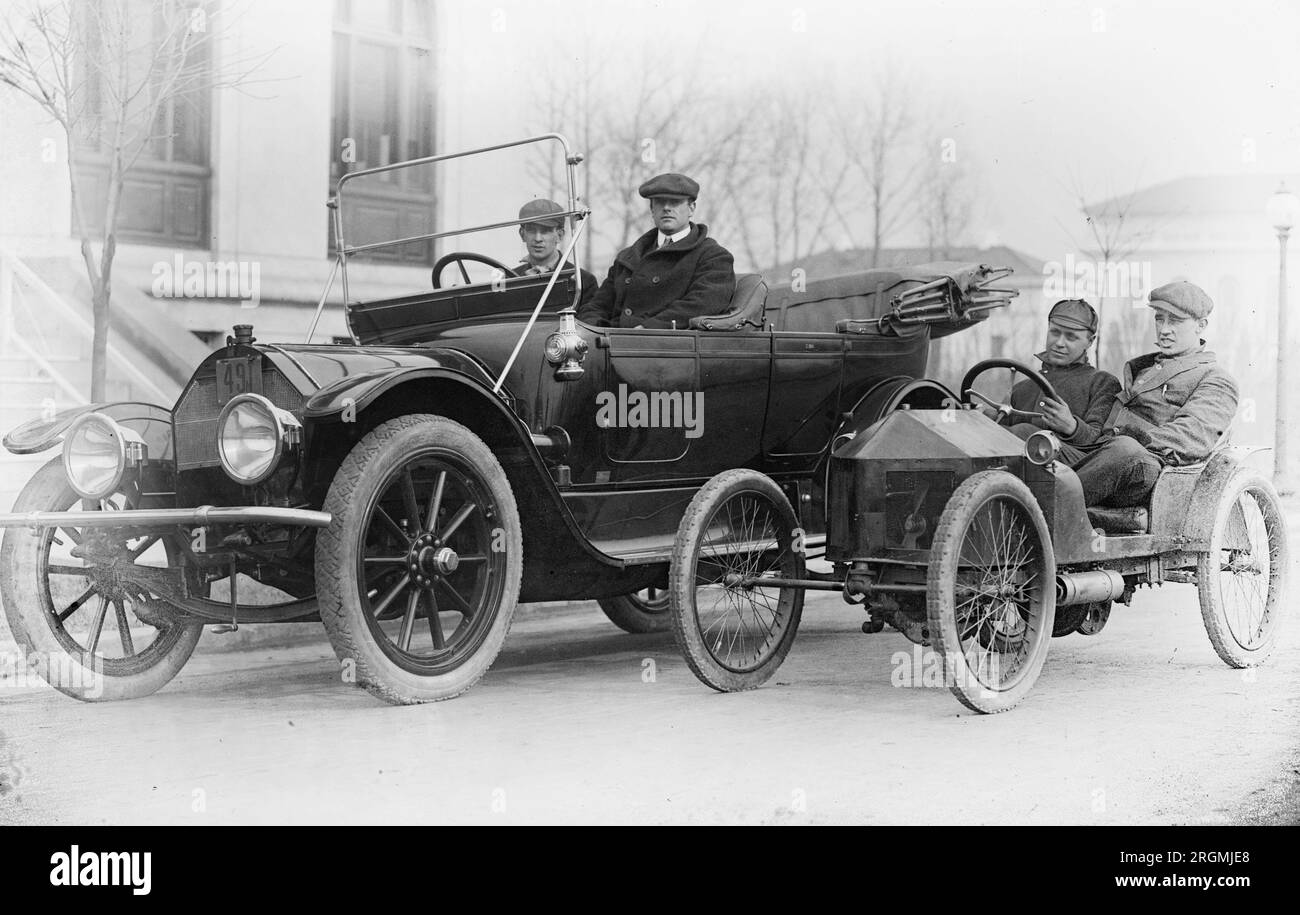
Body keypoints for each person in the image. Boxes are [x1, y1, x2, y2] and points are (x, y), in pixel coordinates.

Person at [1067, 281, 1238, 508]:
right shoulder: (1147, 369)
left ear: (1201, 325)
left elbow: (1191, 435)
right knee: (1028, 436)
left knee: (1125, 449)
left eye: (1175, 321)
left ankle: (1043, 514)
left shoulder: (1215, 378)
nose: (1164, 329)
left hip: (1148, 470)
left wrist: (1131, 439)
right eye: (1160, 318)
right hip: (1105, 456)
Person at [576, 173, 735, 329]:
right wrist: (589, 332)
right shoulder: (628, 257)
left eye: (675, 202)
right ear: (652, 209)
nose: (666, 208)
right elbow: (598, 305)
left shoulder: (712, 256)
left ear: (691, 208)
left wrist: (647, 328)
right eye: (659, 202)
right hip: (613, 343)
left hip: (664, 346)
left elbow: (703, 303)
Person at [1000, 298, 1121, 461]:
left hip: (1077, 473)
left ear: (1090, 341)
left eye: (1071, 337)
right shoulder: (1022, 389)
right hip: (1018, 470)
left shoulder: (1102, 383)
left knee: (1025, 432)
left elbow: (1103, 443)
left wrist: (1072, 427)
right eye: (1055, 332)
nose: (1059, 343)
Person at [515, 198, 596, 307]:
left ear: (560, 235)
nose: (538, 238)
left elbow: (589, 318)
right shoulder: (510, 279)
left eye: (545, 231)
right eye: (531, 230)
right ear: (522, 234)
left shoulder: (582, 281)